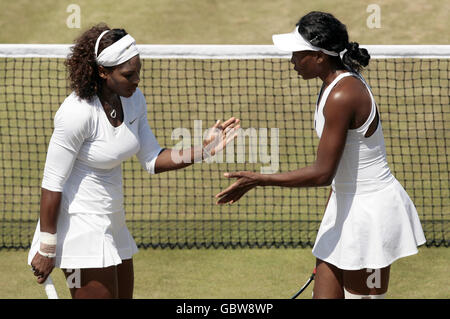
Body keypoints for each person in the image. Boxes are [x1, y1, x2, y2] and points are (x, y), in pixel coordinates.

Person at [215, 11, 426, 299]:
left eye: (298, 54)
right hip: (343, 207)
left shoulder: (343, 95)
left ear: (319, 56)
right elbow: (338, 172)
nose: (292, 61)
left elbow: (323, 172)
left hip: (369, 214)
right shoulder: (330, 85)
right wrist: (333, 219)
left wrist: (259, 179)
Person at [28, 23, 240, 299]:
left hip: (113, 220)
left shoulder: (133, 98)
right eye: (128, 74)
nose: (137, 79)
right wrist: (47, 247)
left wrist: (203, 150)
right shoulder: (76, 114)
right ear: (103, 72)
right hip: (80, 224)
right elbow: (52, 184)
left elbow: (152, 158)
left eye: (138, 70)